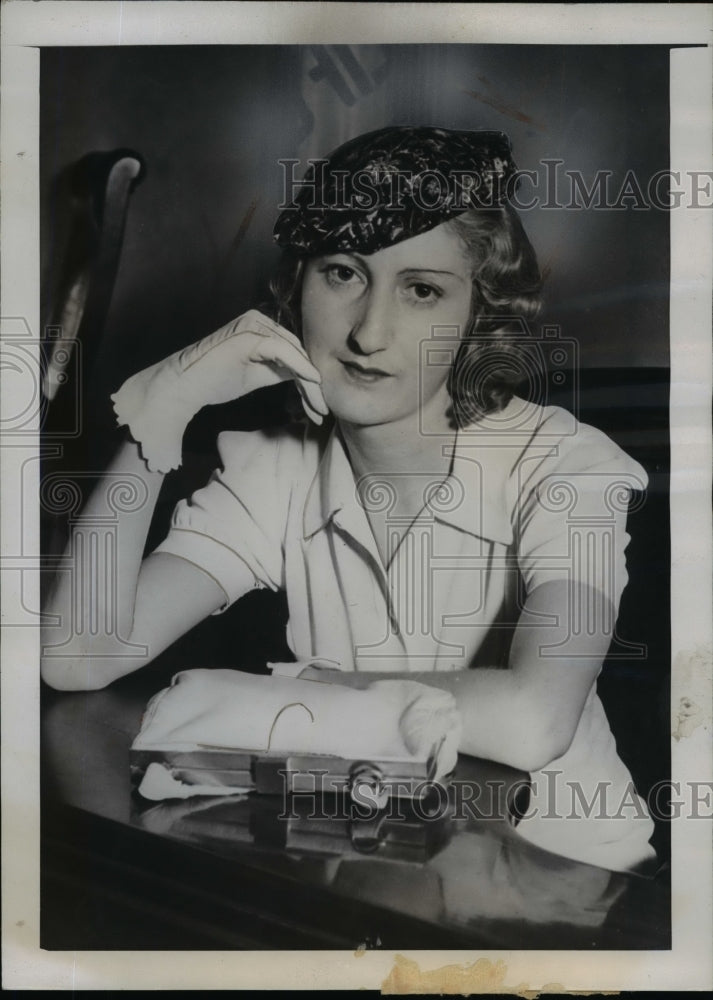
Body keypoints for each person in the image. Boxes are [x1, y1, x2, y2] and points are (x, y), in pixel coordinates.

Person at [41, 126, 656, 872]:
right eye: (342, 273)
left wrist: (316, 692)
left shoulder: (565, 467)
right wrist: (161, 412)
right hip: (373, 864)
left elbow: (533, 720)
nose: (369, 331)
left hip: (568, 883)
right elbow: (77, 655)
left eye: (421, 290)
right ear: (296, 286)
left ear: (475, 319)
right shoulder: (272, 470)